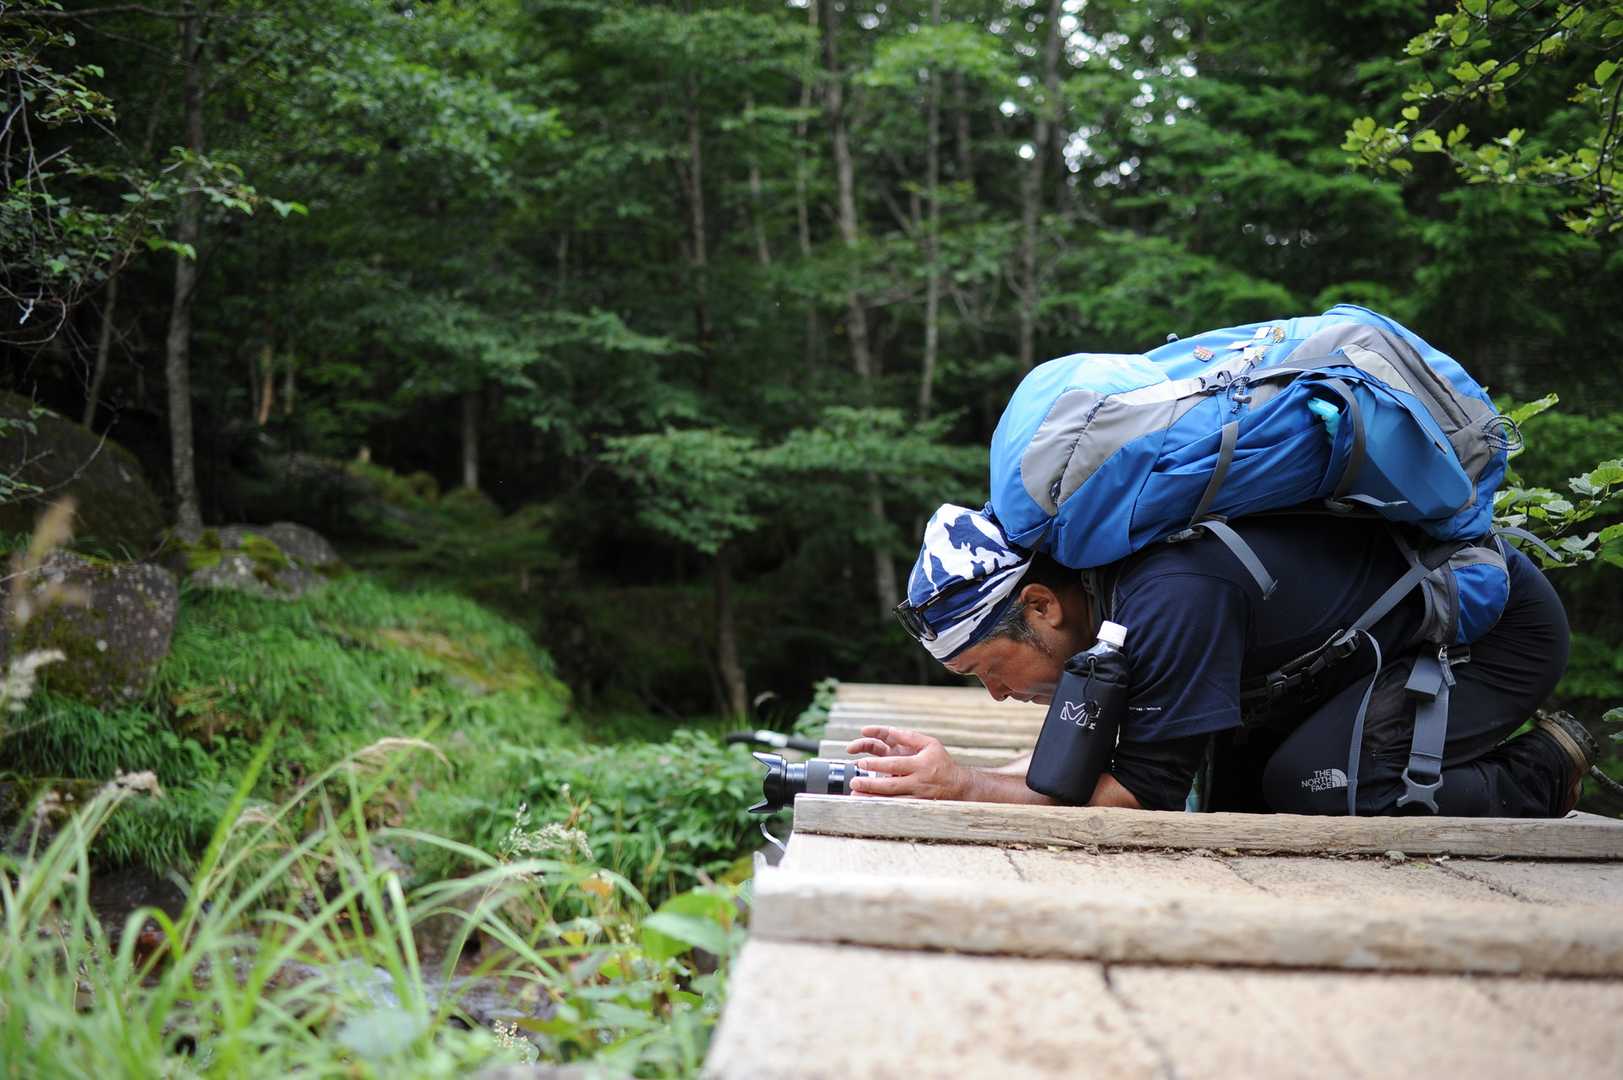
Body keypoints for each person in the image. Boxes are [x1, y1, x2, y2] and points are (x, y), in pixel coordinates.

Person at [852, 503, 1597, 817]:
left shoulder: (1168, 596)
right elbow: (1085, 756)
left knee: (1311, 787)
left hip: (1493, 633)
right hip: (1371, 650)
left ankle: (1537, 771)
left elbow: (1140, 792)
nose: (995, 693)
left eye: (988, 668)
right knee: (1242, 806)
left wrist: (966, 788)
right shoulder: (1113, 597)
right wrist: (947, 773)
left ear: (1041, 606)